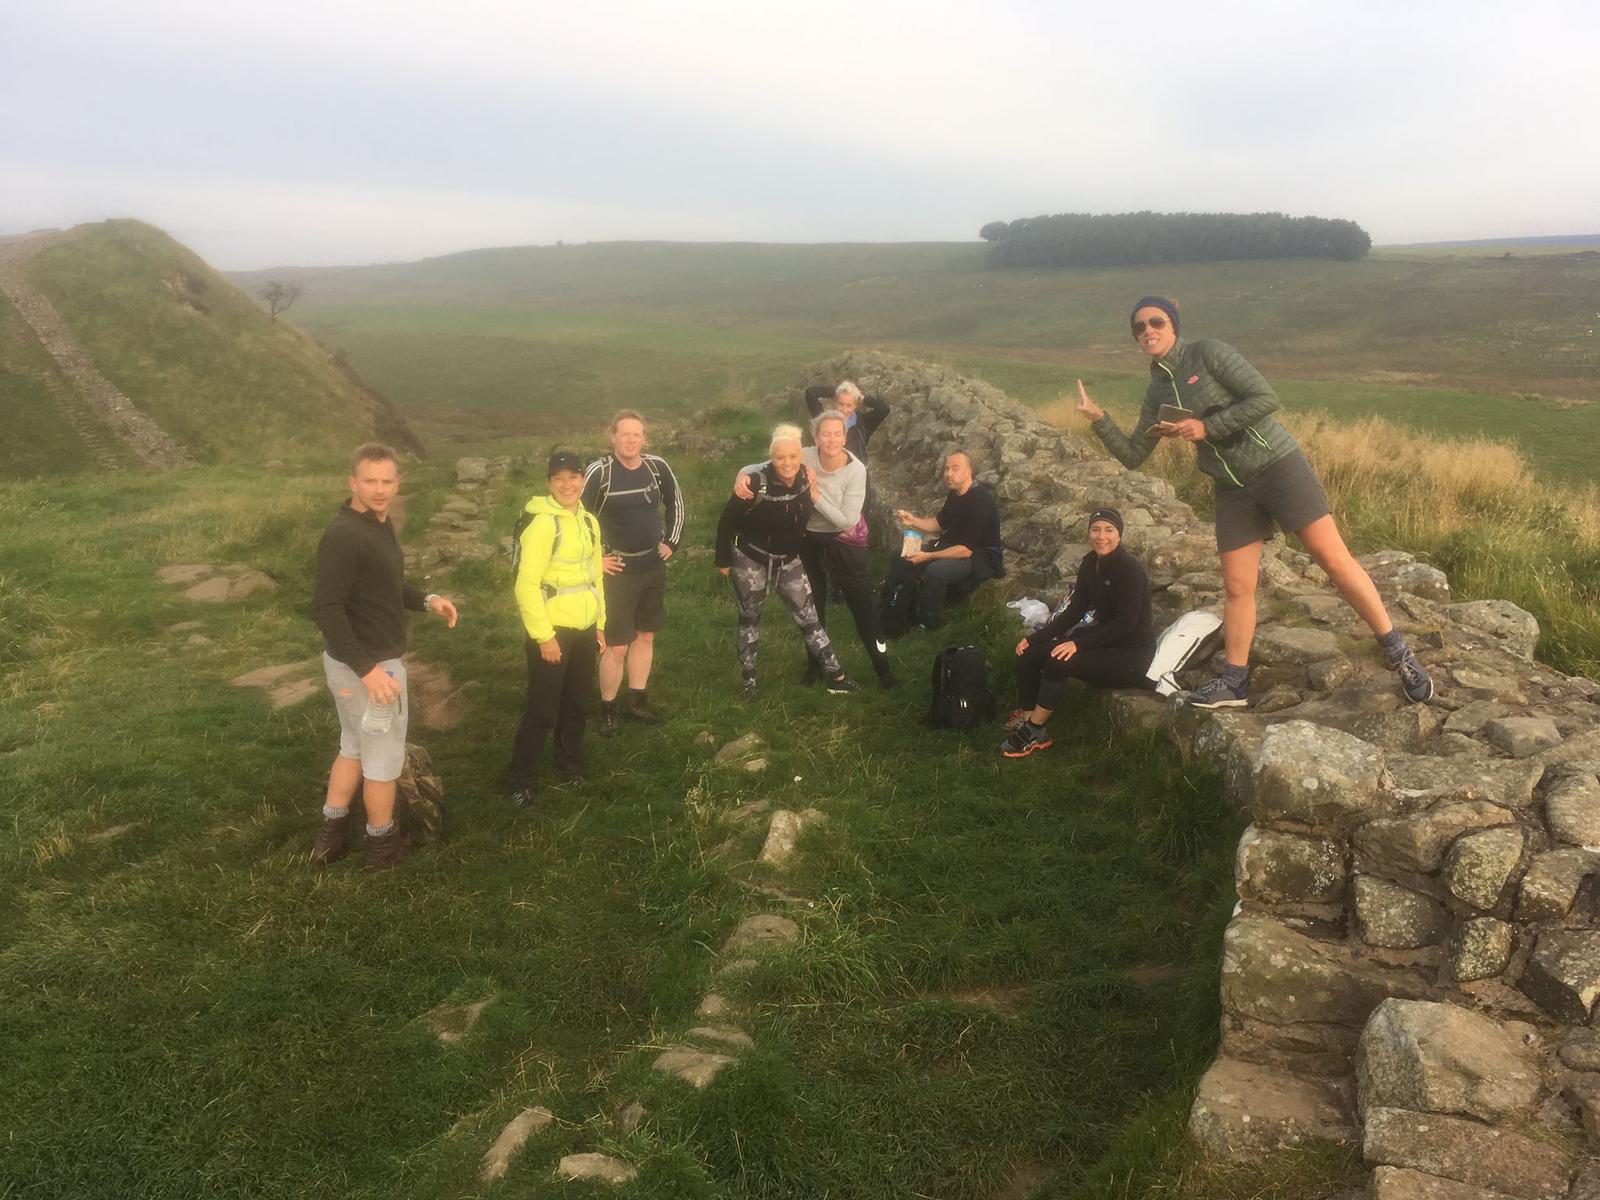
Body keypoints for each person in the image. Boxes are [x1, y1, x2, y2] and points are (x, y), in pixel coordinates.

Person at [1076, 295, 1433, 708]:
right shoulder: (1157, 388)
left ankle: (1399, 653)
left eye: (1156, 322)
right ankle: (1234, 682)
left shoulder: (1207, 353)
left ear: (1173, 325)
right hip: (1232, 487)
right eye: (1139, 328)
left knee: (1333, 560)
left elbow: (1265, 398)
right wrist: (1098, 418)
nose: (1147, 332)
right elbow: (1134, 455)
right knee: (1237, 586)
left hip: (1278, 465)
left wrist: (1206, 426)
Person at [309, 443, 459, 870]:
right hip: (371, 667)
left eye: (386, 481)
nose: (379, 490)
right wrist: (369, 671)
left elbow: (385, 585)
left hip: (354, 662)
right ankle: (382, 850)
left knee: (352, 747)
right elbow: (327, 608)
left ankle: (329, 840)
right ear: (352, 482)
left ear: (397, 483)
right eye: (369, 481)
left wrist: (426, 599)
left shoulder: (378, 524)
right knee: (383, 762)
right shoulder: (344, 535)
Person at [732, 410, 898, 688]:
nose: (831, 439)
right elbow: (755, 468)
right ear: (816, 436)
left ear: (845, 436)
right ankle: (816, 667)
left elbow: (847, 519)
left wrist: (815, 496)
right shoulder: (804, 455)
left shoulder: (856, 470)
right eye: (825, 434)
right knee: (812, 608)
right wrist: (741, 476)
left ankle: (884, 671)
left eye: (837, 433)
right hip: (808, 540)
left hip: (846, 542)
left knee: (864, 609)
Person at [715, 424, 861, 700]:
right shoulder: (755, 483)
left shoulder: (807, 477)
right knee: (749, 620)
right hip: (751, 560)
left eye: (793, 457)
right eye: (780, 457)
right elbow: (727, 521)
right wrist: (722, 559)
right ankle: (749, 682)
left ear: (800, 457)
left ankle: (837, 676)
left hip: (789, 561)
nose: (787, 463)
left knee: (810, 619)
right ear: (772, 458)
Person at [1002, 509, 1155, 758]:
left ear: (1119, 535)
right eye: (1096, 529)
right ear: (1089, 533)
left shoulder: (1130, 570)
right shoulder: (1089, 564)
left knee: (1059, 659)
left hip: (1131, 655)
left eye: (1109, 530)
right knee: (1029, 654)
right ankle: (1028, 719)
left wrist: (1078, 643)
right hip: (1104, 642)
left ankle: (1036, 732)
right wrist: (1034, 638)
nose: (1101, 536)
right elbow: (1073, 612)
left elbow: (1125, 624)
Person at [504, 450, 607, 810]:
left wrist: (600, 625)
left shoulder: (589, 521)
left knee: (577, 702)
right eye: (559, 478)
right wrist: (543, 636)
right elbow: (526, 585)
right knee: (543, 708)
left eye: (574, 477)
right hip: (552, 629)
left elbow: (596, 578)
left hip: (584, 626)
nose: (568, 485)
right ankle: (520, 778)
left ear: (583, 480)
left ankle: (568, 766)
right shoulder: (543, 524)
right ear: (549, 483)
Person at [582, 410, 684, 736]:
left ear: (644, 438)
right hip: (618, 570)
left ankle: (637, 702)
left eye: (636, 434)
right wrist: (595, 559)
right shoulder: (600, 472)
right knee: (616, 645)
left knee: (646, 635)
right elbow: (576, 518)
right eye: (624, 434)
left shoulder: (656, 467)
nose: (630, 440)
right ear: (612, 437)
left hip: (652, 565)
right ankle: (607, 708)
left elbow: (676, 503)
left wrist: (672, 541)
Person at [887, 450, 1004, 629]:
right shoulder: (955, 494)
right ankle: (895, 605)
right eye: (947, 468)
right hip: (953, 547)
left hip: (979, 557)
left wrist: (927, 556)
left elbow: (966, 549)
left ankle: (928, 623)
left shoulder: (980, 500)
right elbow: (939, 523)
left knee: (935, 571)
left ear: (968, 471)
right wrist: (913, 521)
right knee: (900, 555)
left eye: (955, 468)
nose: (948, 473)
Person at [804, 380, 890, 462]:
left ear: (855, 405)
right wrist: (838, 391)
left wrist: (863, 398)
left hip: (856, 473)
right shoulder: (824, 420)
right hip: (828, 472)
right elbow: (811, 393)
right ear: (835, 402)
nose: (844, 409)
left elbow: (884, 409)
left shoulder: (863, 423)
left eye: (849, 405)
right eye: (841, 404)